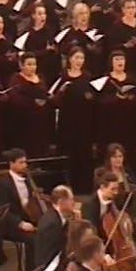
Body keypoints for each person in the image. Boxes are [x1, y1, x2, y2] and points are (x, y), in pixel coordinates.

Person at [52, 47, 95, 194]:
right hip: (67, 122)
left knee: (83, 156)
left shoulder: (88, 77)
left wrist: (89, 97)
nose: (79, 61)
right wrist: (62, 90)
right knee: (68, 156)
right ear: (70, 59)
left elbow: (93, 98)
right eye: (76, 58)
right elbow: (54, 100)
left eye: (81, 58)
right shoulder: (62, 76)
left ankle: (83, 189)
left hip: (84, 122)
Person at [93, 144, 136, 246]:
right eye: (114, 157)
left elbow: (135, 189)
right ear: (109, 158)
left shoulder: (127, 173)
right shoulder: (101, 173)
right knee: (134, 221)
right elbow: (100, 192)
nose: (118, 159)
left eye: (120, 156)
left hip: (126, 207)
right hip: (111, 207)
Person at [95, 51, 136, 169]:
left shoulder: (132, 78)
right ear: (111, 62)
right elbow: (99, 101)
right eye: (116, 59)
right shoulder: (105, 80)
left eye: (122, 59)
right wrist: (115, 98)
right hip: (110, 124)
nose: (119, 62)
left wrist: (130, 98)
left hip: (128, 123)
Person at [0, 149, 37, 271]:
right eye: (21, 162)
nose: (25, 165)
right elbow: (3, 211)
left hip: (28, 218)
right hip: (10, 224)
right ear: (11, 164)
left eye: (25, 162)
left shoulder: (28, 179)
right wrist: (20, 224)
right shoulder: (3, 184)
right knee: (32, 239)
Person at [7, 52, 53, 158]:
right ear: (21, 65)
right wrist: (33, 103)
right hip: (23, 120)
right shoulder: (16, 79)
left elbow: (45, 94)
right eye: (29, 64)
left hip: (41, 119)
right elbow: (14, 98)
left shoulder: (40, 78)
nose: (32, 67)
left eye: (34, 64)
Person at [34, 185, 75, 271]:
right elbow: (50, 258)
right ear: (61, 202)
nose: (73, 202)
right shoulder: (51, 224)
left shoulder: (58, 217)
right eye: (71, 199)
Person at [108, 0, 136, 80]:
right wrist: (125, 45)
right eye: (128, 8)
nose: (131, 10)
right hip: (125, 61)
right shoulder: (117, 25)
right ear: (123, 9)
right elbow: (111, 45)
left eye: (133, 7)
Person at [58, 2, 104, 76]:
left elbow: (98, 52)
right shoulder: (67, 31)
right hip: (72, 72)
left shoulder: (95, 31)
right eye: (81, 14)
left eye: (86, 13)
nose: (84, 16)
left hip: (91, 70)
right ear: (75, 16)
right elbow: (62, 50)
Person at [19, 4, 61, 83]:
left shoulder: (49, 31)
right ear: (33, 16)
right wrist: (45, 51)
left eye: (44, 14)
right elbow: (29, 53)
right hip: (35, 68)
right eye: (40, 14)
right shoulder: (28, 33)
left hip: (49, 68)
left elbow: (55, 49)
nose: (42, 16)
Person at [81, 171, 120, 238]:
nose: (116, 192)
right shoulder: (90, 204)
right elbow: (91, 229)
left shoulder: (112, 200)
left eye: (117, 189)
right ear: (102, 187)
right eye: (112, 189)